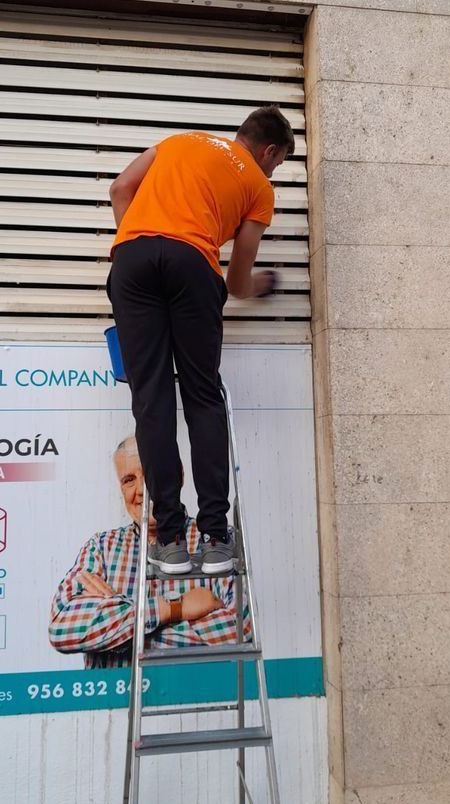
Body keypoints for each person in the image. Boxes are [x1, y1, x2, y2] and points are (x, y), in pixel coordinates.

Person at [108, 105, 295, 576]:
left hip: (132, 260)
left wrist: (140, 241)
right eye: (279, 162)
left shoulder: (181, 141)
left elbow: (119, 188)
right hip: (193, 264)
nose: (273, 170)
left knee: (150, 397)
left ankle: (169, 540)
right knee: (201, 395)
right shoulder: (258, 185)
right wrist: (263, 285)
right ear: (269, 150)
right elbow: (236, 281)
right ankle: (214, 537)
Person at [48, 436, 249, 669]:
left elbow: (240, 627)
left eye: (151, 473)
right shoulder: (100, 548)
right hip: (116, 702)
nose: (142, 490)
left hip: (192, 698)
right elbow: (62, 626)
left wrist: (117, 628)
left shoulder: (214, 540)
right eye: (129, 480)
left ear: (178, 475)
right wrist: (175, 608)